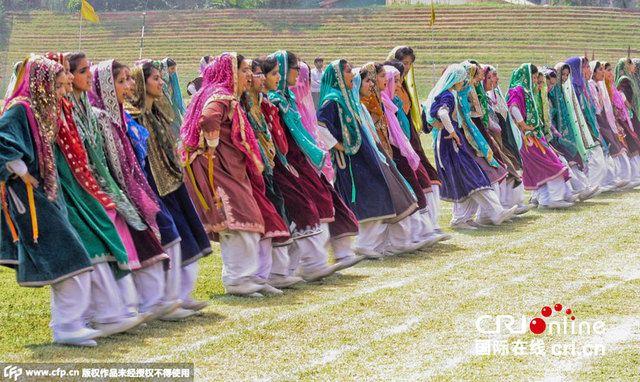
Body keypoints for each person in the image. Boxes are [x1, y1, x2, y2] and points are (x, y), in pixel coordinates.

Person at [0, 55, 100, 346]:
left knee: (68, 258)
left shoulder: (41, 110)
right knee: (67, 257)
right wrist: (21, 171)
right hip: (29, 197)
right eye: (55, 86)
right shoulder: (21, 109)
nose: (61, 91)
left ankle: (69, 325)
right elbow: (3, 141)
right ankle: (67, 328)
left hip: (46, 194)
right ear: (40, 84)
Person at [181, 52, 270, 296]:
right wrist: (212, 144)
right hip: (216, 168)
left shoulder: (219, 95)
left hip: (224, 167)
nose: (249, 75)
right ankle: (238, 280)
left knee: (242, 221)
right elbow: (208, 118)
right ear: (230, 72)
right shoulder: (220, 96)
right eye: (243, 70)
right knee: (237, 220)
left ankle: (244, 277)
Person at [268, 50, 363, 278]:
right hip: (289, 164)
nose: (299, 77)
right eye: (295, 70)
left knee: (324, 203)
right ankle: (305, 266)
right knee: (304, 210)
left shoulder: (287, 101)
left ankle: (323, 260)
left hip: (304, 161)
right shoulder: (275, 102)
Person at [127, 60, 213, 310]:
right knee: (169, 235)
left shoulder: (158, 112)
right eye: (155, 78)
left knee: (187, 232)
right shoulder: (133, 116)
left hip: (171, 179)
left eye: (160, 77)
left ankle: (180, 296)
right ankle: (164, 299)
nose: (161, 82)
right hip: (152, 184)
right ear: (143, 83)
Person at [425, 64, 517, 229]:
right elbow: (442, 113)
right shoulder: (448, 95)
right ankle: (494, 212)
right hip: (449, 143)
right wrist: (452, 131)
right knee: (473, 177)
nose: (465, 82)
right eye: (462, 79)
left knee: (470, 179)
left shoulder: (451, 94)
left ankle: (462, 219)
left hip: (452, 141)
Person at [242, 58, 304, 288]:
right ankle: (262, 276)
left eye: (256, 73)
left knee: (278, 214)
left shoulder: (262, 102)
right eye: (253, 73)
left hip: (268, 166)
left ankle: (275, 274)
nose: (254, 78)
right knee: (268, 219)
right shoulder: (243, 105)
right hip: (256, 170)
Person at [506, 63, 573, 209]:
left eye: (537, 78)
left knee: (542, 169)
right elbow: (513, 106)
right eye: (534, 77)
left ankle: (544, 200)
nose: (536, 81)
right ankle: (555, 198)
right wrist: (523, 125)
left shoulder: (527, 91)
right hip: (529, 138)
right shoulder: (518, 90)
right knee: (553, 165)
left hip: (535, 136)